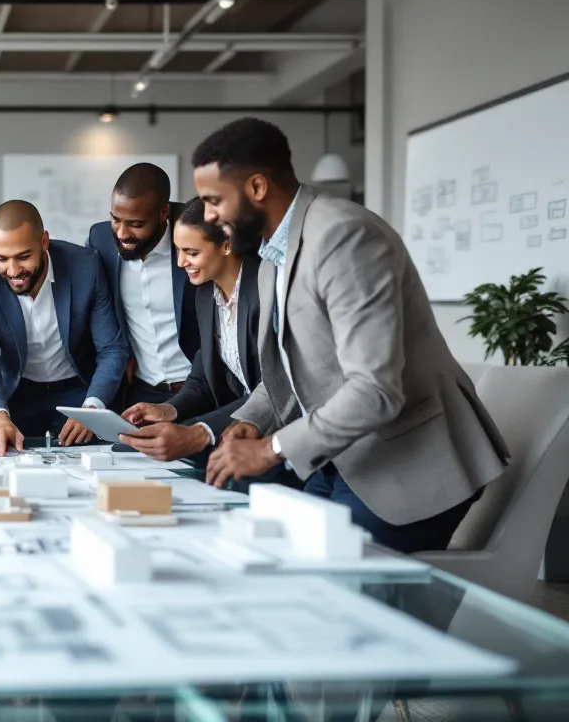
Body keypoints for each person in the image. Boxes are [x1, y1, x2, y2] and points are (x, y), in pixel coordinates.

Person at [196, 117, 508, 554]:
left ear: (257, 188)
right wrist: (251, 421)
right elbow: (293, 370)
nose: (208, 216)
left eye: (213, 201)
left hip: (407, 462)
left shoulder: (344, 235)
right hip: (340, 456)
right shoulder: (270, 256)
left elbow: (375, 390)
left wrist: (273, 447)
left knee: (327, 596)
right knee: (276, 563)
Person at [118, 198, 271, 472]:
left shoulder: (265, 291)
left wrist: (202, 430)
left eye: (191, 252)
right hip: (235, 431)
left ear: (227, 244)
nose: (180, 262)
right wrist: (169, 410)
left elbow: (273, 388)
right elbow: (202, 376)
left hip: (274, 437)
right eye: (177, 250)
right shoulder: (203, 294)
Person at [0, 200, 126, 456]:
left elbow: (112, 349)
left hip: (78, 388)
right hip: (18, 392)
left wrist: (93, 407)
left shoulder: (86, 266)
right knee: (0, 459)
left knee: (96, 464)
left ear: (44, 242)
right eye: (1, 259)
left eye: (23, 257)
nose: (13, 270)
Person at [86, 163, 199, 409]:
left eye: (136, 224)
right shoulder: (100, 240)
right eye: (115, 220)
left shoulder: (193, 240)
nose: (122, 234)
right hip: (139, 392)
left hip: (199, 390)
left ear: (163, 213)